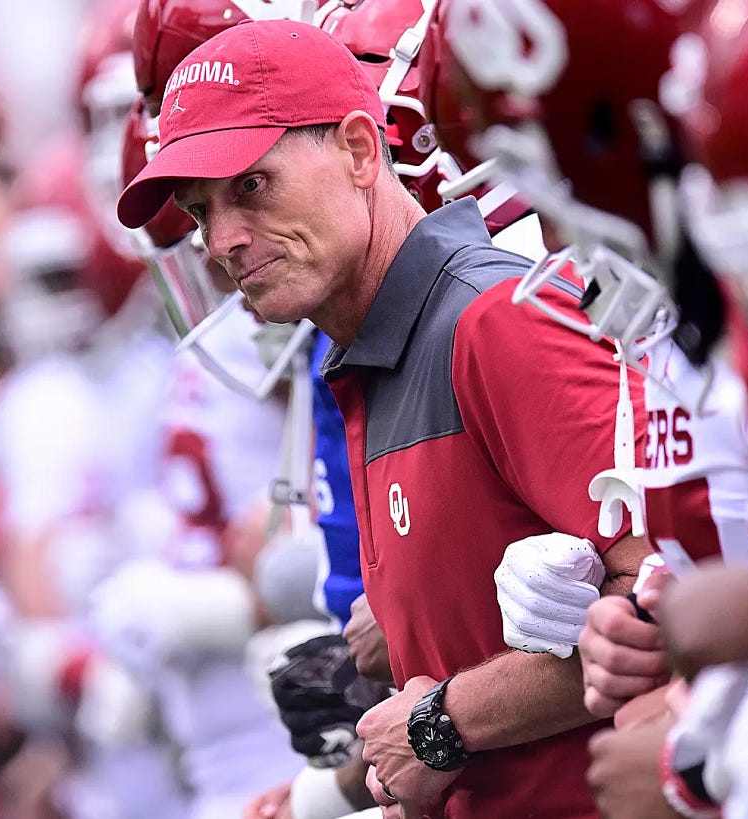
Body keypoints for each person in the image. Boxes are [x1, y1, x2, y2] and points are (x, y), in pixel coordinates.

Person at [117, 20, 652, 819]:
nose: (222, 240)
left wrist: (441, 723)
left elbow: (666, 597)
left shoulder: (493, 322)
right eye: (199, 213)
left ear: (362, 150)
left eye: (252, 184)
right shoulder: (369, 353)